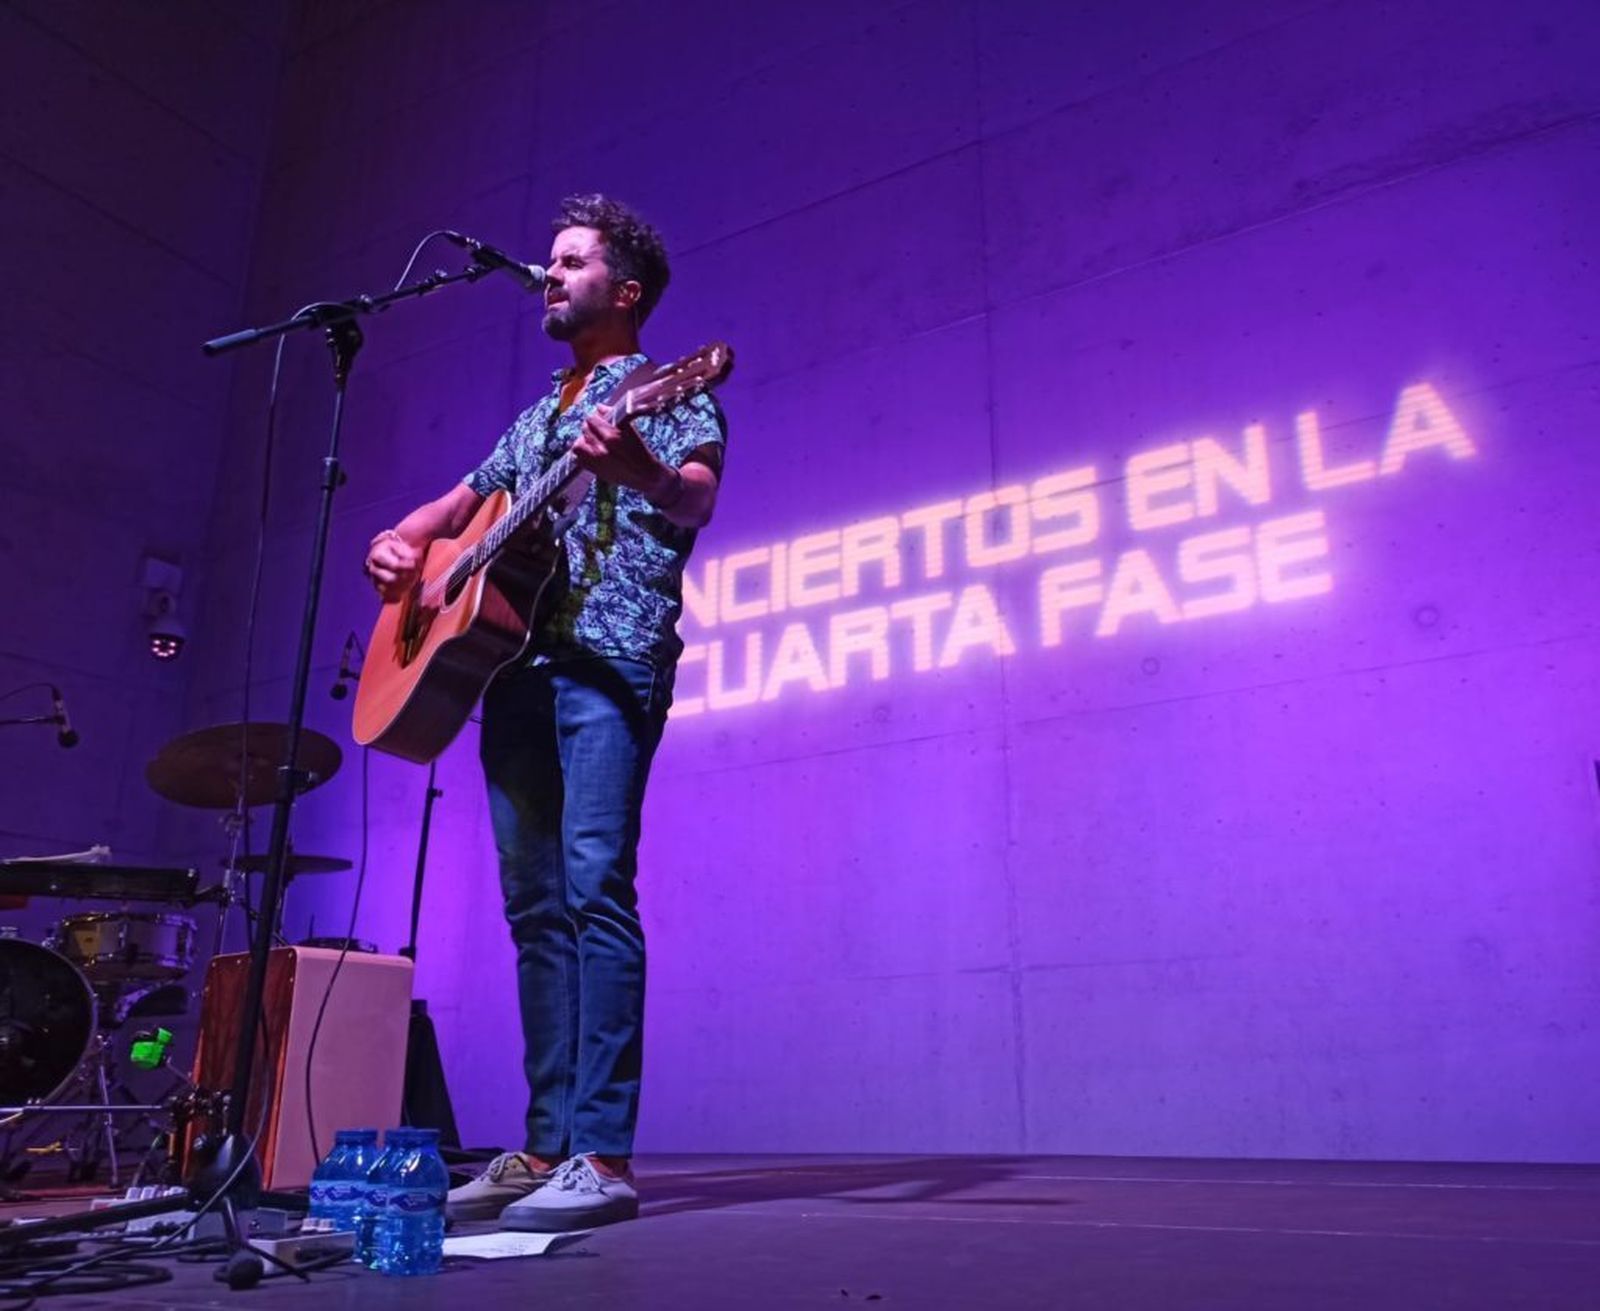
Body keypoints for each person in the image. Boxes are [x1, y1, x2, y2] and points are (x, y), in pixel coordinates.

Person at [363, 195, 727, 1231]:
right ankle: (541, 1145)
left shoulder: (665, 390)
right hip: (510, 668)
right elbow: (453, 506)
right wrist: (400, 545)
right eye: (548, 262)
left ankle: (602, 1157)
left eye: (569, 264)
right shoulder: (536, 415)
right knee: (533, 914)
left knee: (592, 889)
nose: (547, 276)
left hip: (606, 662)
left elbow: (694, 498)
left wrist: (641, 470)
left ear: (626, 291)